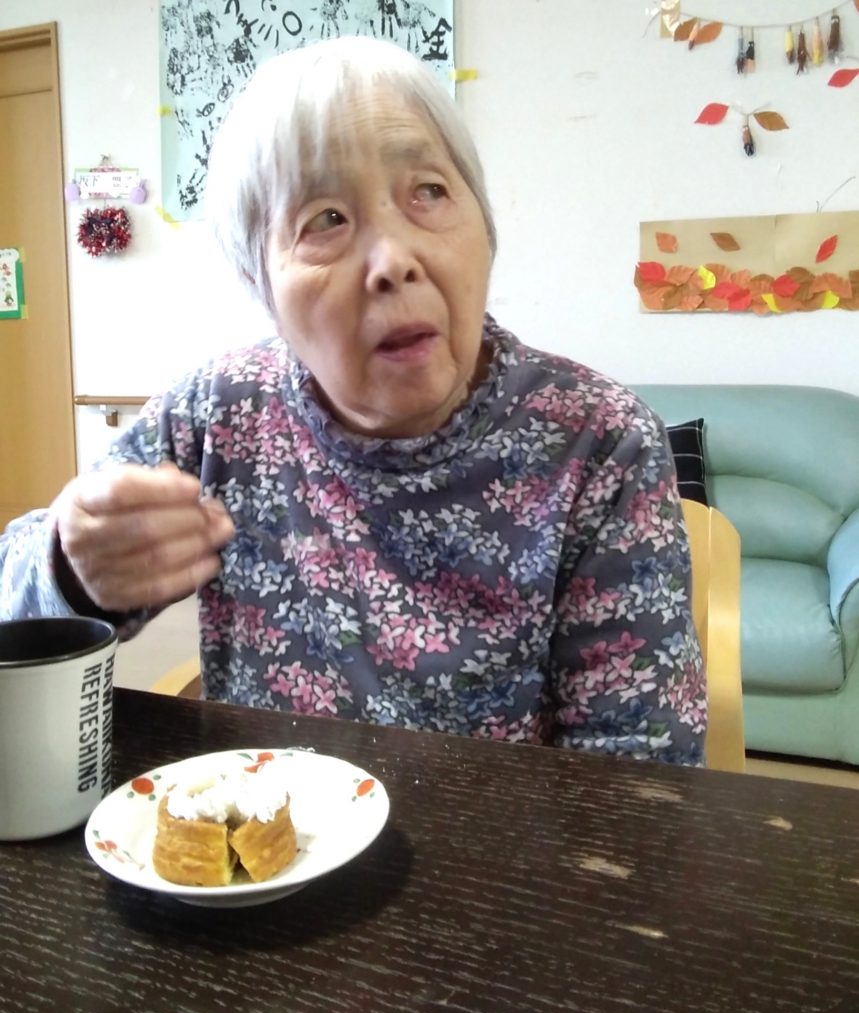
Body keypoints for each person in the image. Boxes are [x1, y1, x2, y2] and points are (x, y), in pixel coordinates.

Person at [0, 36, 705, 762]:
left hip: (501, 838)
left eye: (428, 191)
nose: (392, 261)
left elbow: (639, 767)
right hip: (259, 829)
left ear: (484, 227)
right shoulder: (218, 414)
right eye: (325, 219)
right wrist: (70, 570)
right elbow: (11, 597)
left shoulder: (600, 442)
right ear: (260, 284)